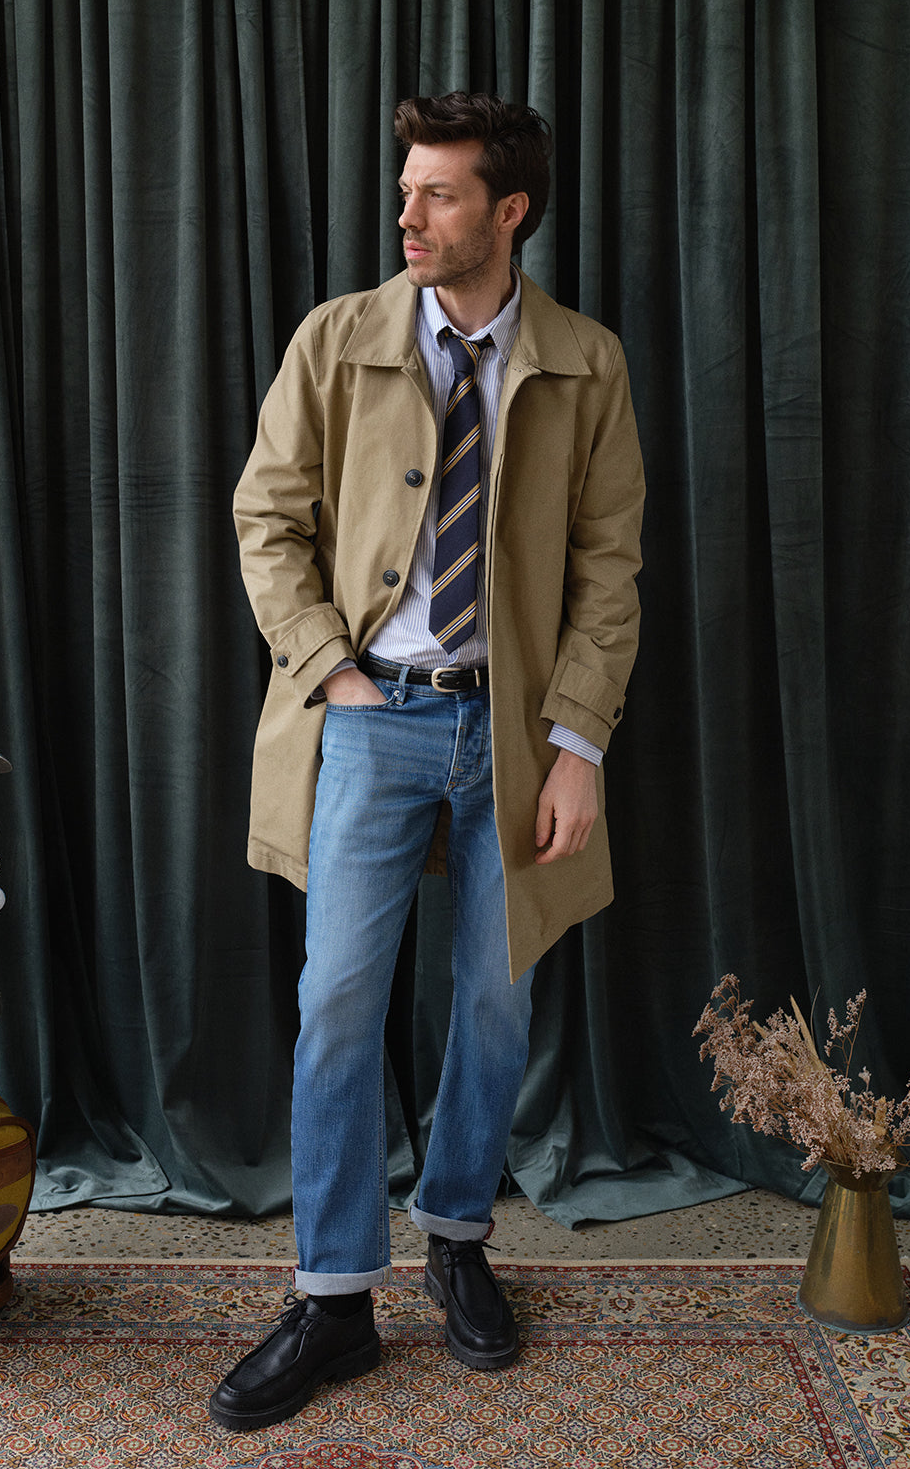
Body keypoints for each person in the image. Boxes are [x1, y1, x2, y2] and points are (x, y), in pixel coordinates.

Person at [212, 91, 644, 1432]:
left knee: (494, 1005)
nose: (406, 214)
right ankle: (336, 1297)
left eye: (438, 193)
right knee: (339, 1001)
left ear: (508, 212)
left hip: (514, 730)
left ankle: (458, 1235)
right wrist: (329, 667)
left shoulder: (587, 361)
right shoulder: (336, 342)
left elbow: (608, 566)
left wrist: (577, 745)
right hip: (371, 716)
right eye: (406, 190)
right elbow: (264, 516)